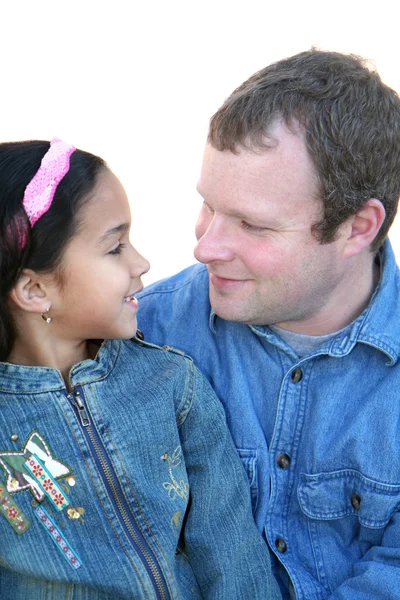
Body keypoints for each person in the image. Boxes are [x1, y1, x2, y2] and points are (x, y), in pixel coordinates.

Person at [137, 49, 400, 599]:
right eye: (209, 206)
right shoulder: (144, 333)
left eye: (253, 225)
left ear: (357, 227)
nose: (205, 246)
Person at [0, 138, 282, 600]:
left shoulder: (173, 385)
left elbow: (232, 553)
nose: (141, 263)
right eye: (115, 248)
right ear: (34, 291)